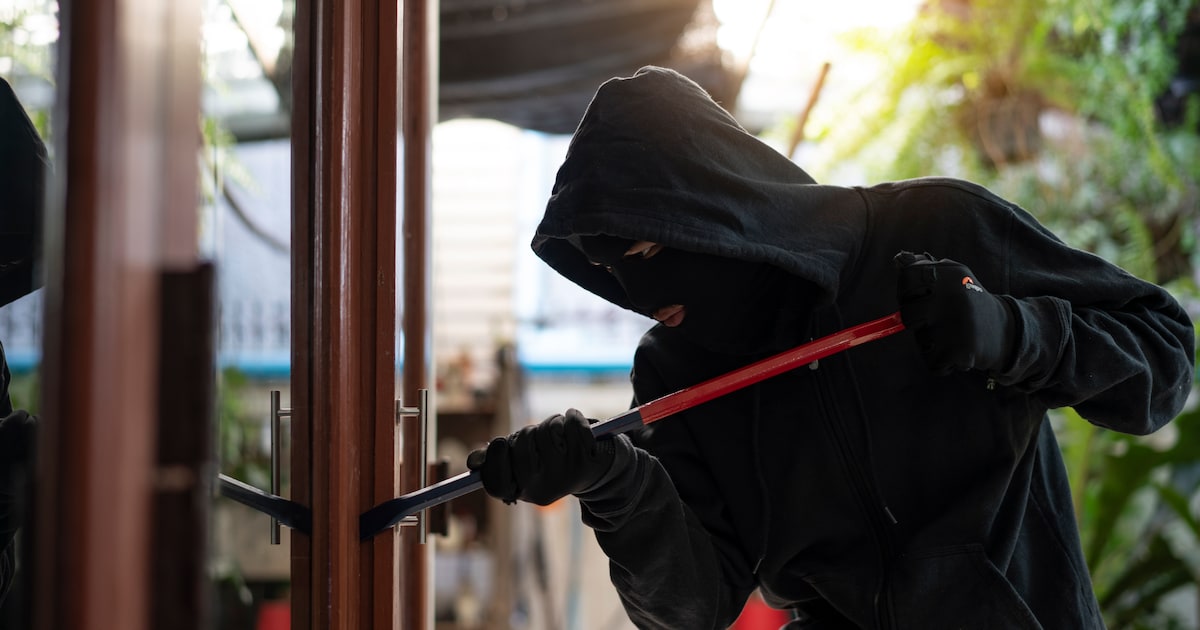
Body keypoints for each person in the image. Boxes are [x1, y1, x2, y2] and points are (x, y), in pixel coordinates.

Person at [466, 66, 1196, 628]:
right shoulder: (672, 371)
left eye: (647, 245)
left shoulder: (939, 229)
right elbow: (691, 607)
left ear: (717, 196)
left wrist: (1012, 331)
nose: (635, 285)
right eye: (605, 268)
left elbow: (1162, 363)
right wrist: (613, 483)